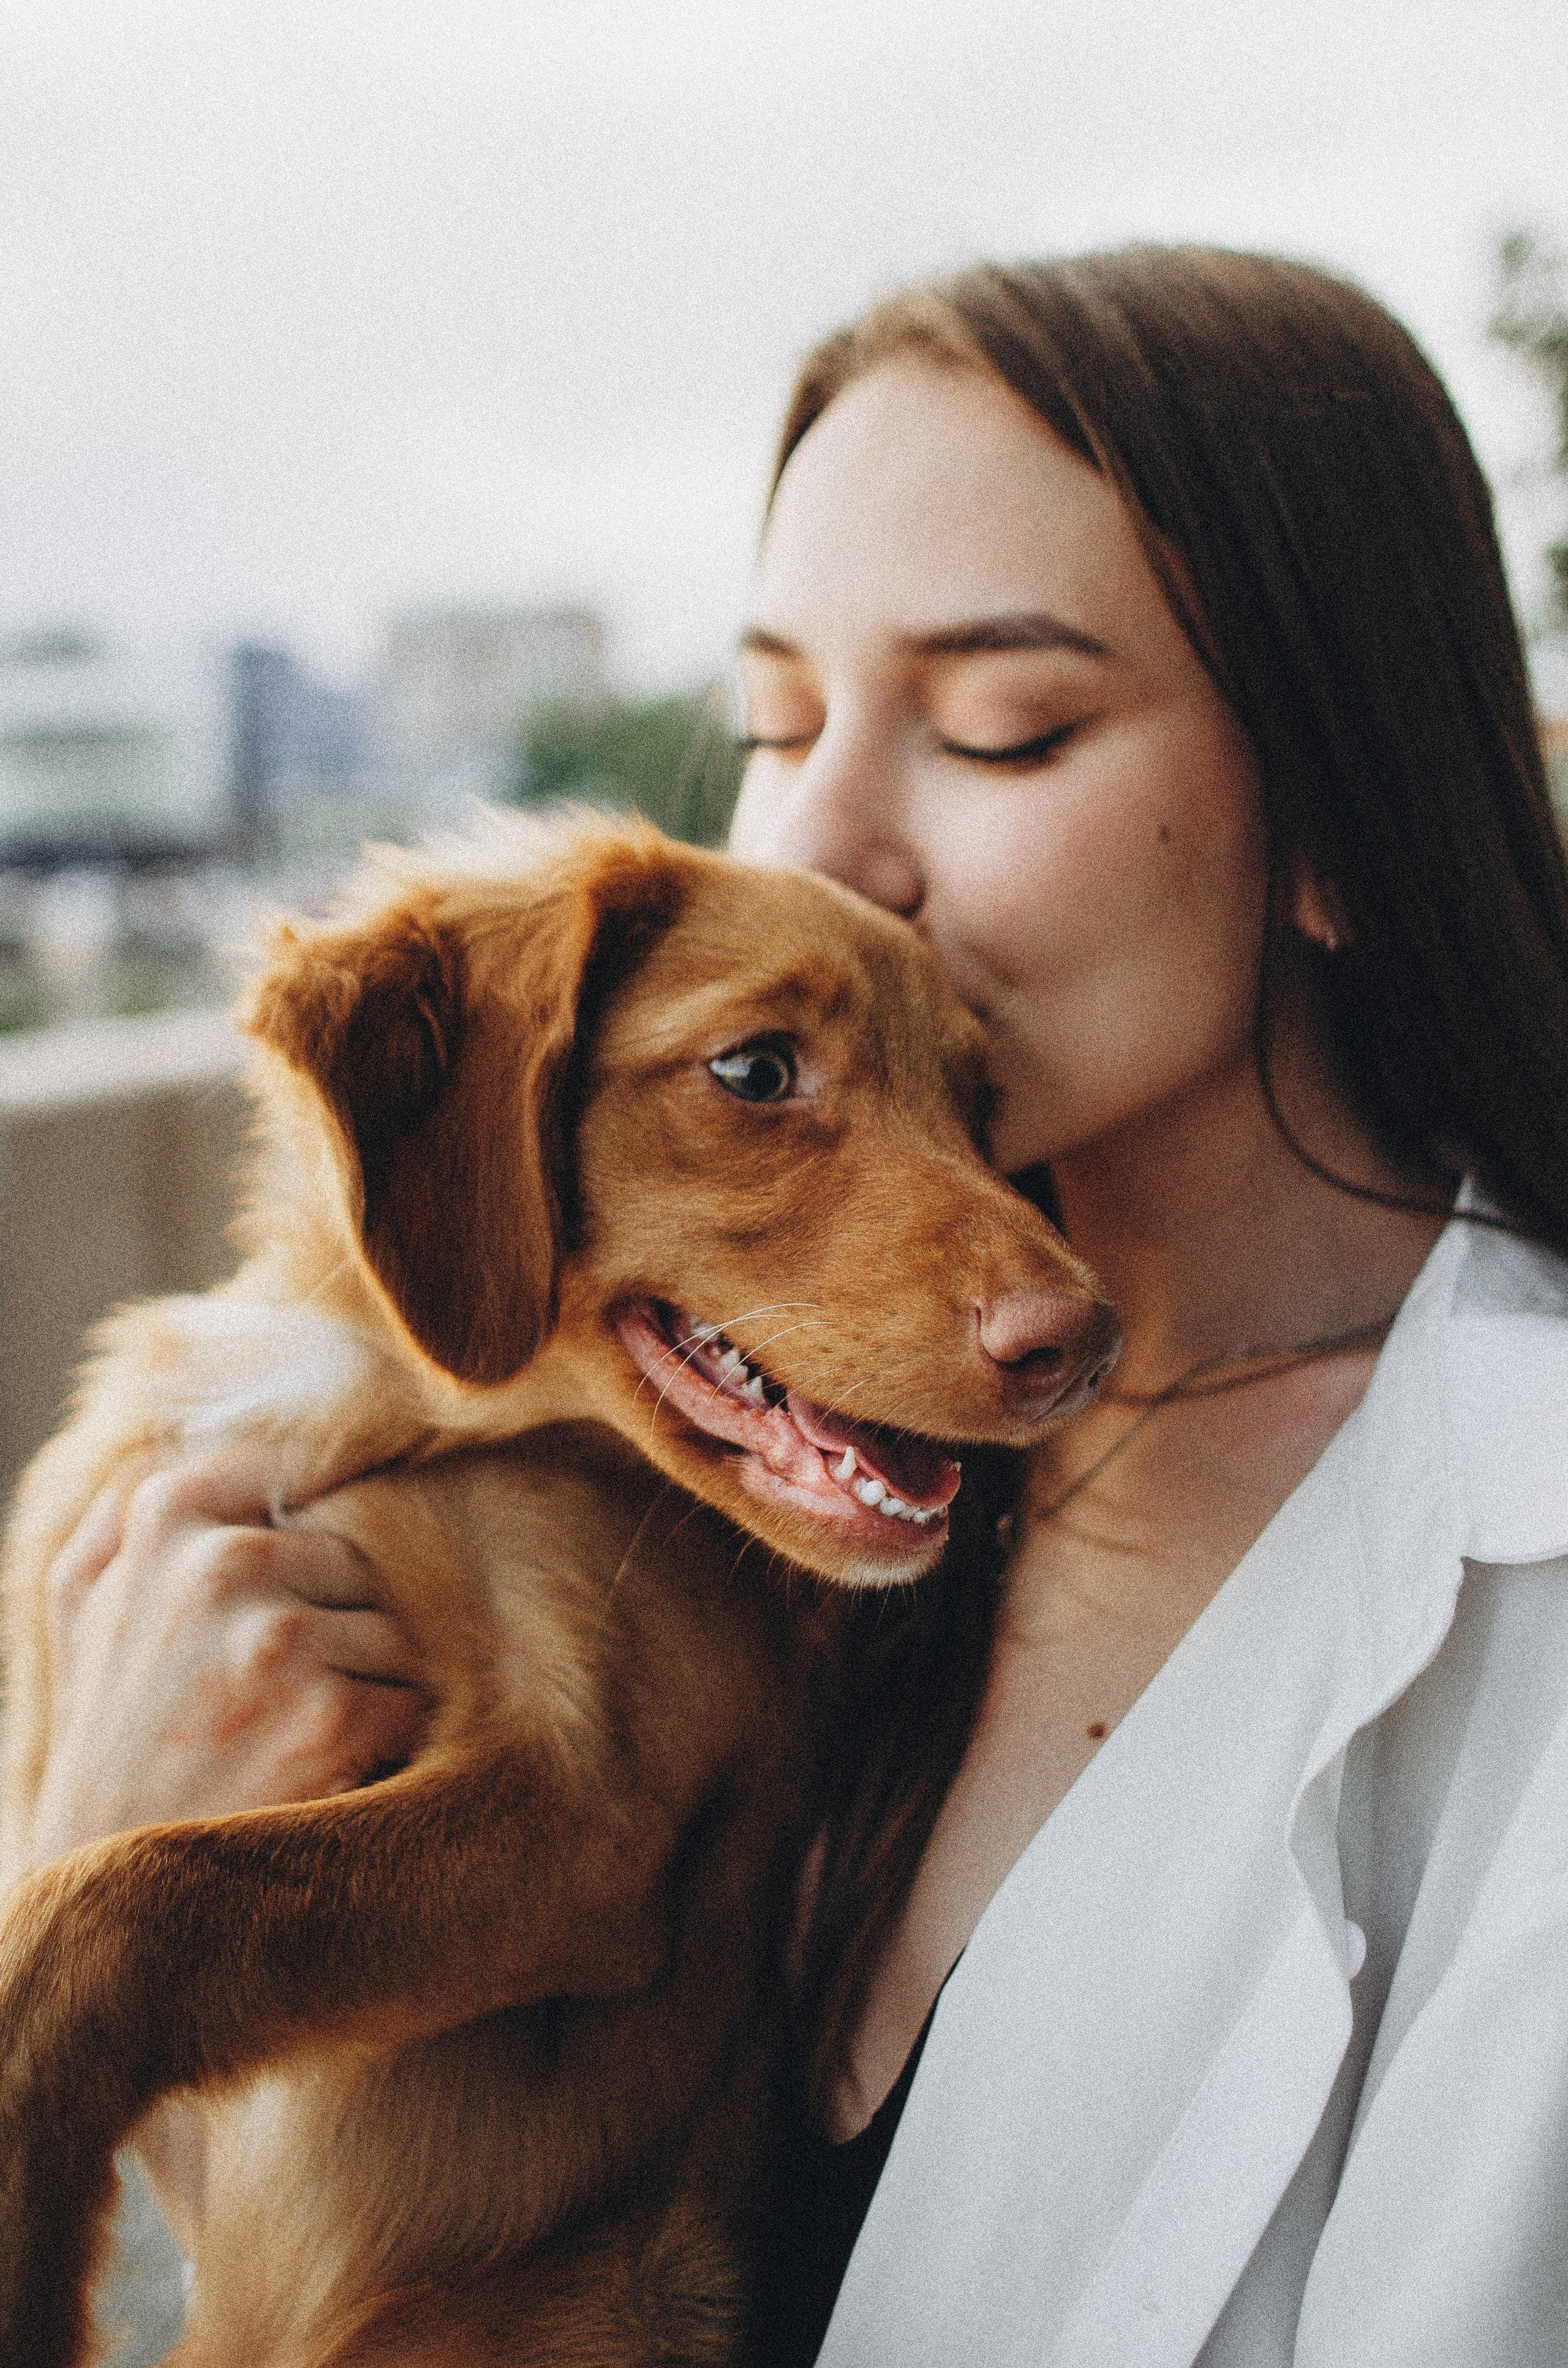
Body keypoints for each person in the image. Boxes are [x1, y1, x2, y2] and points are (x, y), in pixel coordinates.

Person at [18, 248, 1568, 2364]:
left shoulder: (1525, 1606)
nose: (823, 843)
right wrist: (106, 1836)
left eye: (1002, 729)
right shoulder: (746, 1431)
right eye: (773, 720)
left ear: (1347, 822)